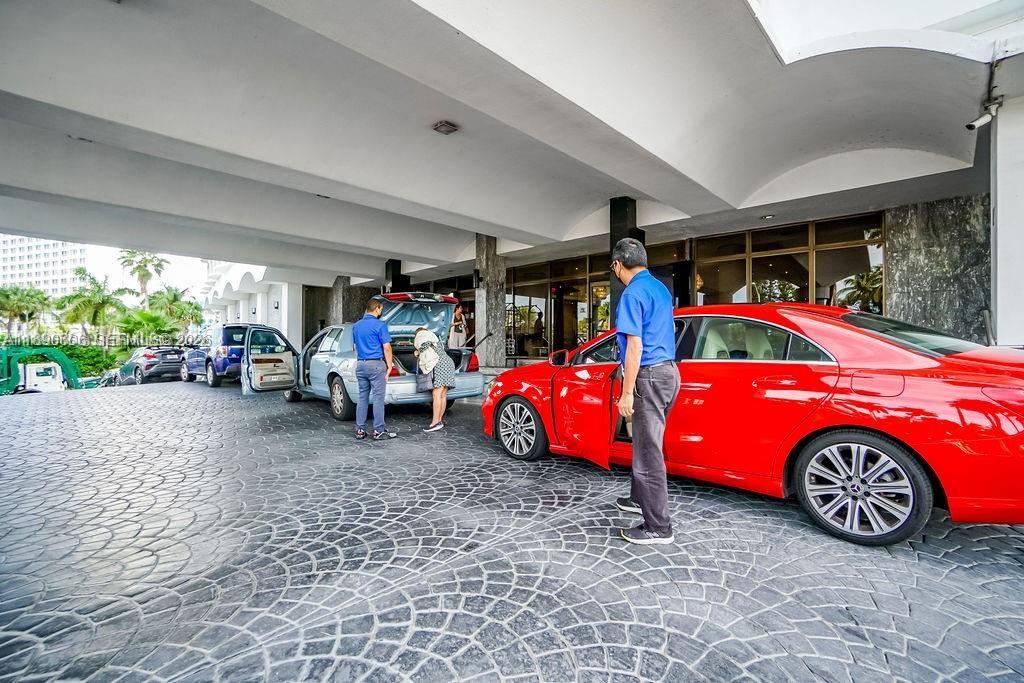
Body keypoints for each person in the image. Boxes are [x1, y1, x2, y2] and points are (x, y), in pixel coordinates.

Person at [611, 237, 680, 545]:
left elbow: (634, 346)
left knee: (648, 452)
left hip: (649, 376)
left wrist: (626, 393)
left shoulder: (632, 293)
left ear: (617, 265)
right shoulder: (660, 289)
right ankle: (639, 499)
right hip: (669, 373)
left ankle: (658, 527)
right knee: (647, 442)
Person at [351, 299, 397, 440]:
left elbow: (355, 347)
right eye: (381, 309)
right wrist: (389, 366)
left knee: (362, 397)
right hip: (376, 365)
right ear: (377, 308)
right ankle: (378, 430)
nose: (381, 312)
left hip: (361, 364)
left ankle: (360, 430)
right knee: (378, 398)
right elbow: (387, 347)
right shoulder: (380, 325)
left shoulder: (356, 326)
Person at [414, 326, 457, 432]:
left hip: (440, 365)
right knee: (442, 395)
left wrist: (418, 352)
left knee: (436, 394)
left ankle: (434, 423)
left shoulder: (422, 337)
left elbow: (425, 346)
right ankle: (439, 421)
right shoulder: (435, 339)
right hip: (448, 363)